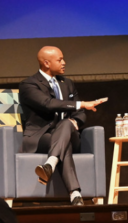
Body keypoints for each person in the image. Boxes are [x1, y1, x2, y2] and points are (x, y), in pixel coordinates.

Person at [18, 46, 105, 205]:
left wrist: (76, 121)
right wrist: (82, 104)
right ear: (46, 63)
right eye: (59, 60)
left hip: (70, 134)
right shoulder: (28, 85)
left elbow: (80, 114)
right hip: (40, 137)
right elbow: (48, 104)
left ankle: (50, 163)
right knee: (64, 145)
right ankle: (75, 194)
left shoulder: (68, 83)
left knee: (66, 124)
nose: (64, 63)